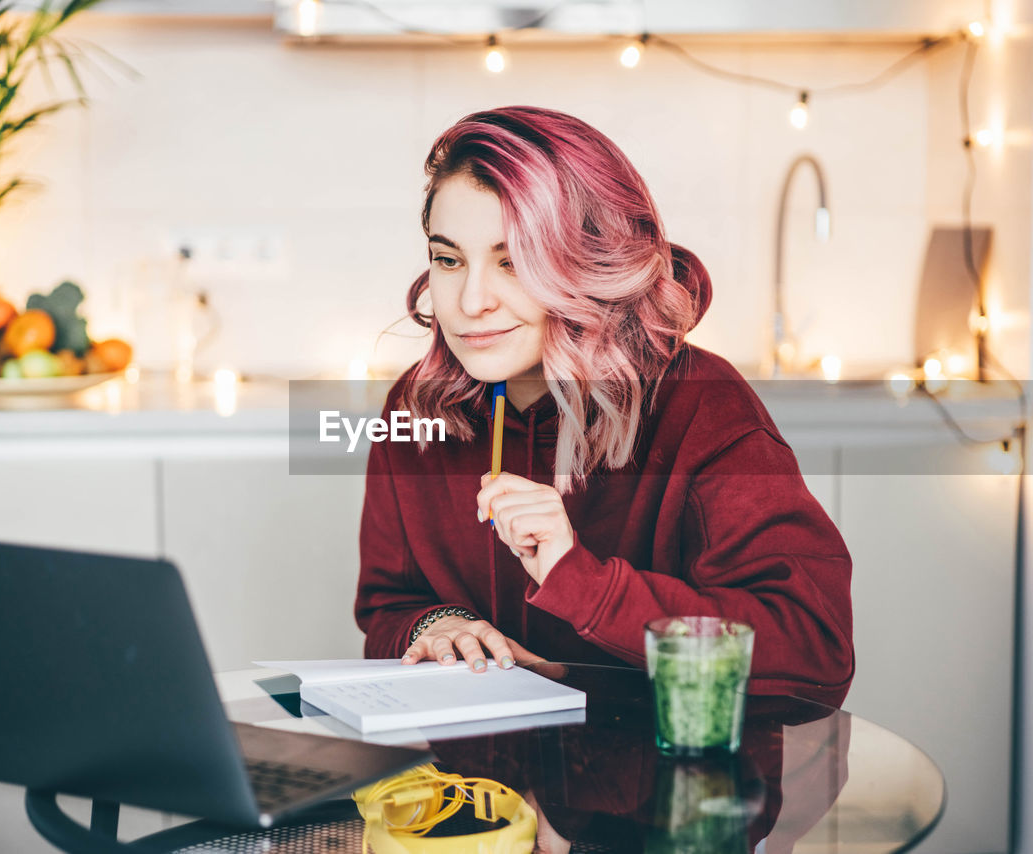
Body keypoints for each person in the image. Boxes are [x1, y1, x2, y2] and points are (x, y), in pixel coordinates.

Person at [354, 106, 853, 706]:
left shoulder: (703, 406)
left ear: (590, 261)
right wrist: (436, 627)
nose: (471, 300)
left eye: (514, 261)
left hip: (672, 788)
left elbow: (813, 651)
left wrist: (580, 580)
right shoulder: (415, 408)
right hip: (474, 794)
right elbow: (387, 607)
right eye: (448, 259)